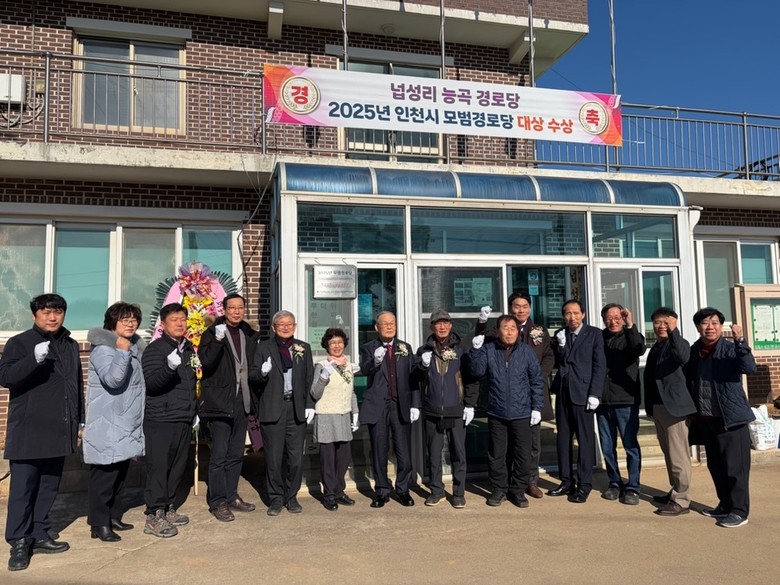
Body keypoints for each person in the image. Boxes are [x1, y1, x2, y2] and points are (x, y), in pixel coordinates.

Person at [0, 294, 82, 571]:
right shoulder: (19, 343)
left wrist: (79, 421)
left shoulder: (70, 344)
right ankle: (19, 541)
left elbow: (75, 385)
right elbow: (6, 378)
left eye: (57, 311)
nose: (52, 317)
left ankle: (39, 533)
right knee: (23, 490)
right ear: (34, 315)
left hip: (59, 429)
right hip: (28, 430)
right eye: (46, 312)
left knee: (48, 487)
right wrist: (32, 360)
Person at [475, 292, 554, 499]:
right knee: (501, 449)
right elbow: (480, 343)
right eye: (517, 306)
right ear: (511, 308)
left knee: (530, 446)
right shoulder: (498, 333)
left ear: (530, 308)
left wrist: (536, 376)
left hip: (528, 399)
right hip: (501, 402)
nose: (521, 310)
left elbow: (548, 356)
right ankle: (504, 485)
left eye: (525, 306)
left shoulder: (539, 331)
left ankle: (530, 482)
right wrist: (481, 322)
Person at [684, 308, 756, 528]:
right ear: (698, 327)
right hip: (706, 419)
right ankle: (725, 505)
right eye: (705, 323)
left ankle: (739, 511)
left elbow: (749, 367)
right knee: (716, 466)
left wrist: (740, 341)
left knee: (736, 468)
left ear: (721, 326)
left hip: (731, 418)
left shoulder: (730, 348)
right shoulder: (695, 351)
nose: (710, 327)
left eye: (714, 323)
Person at [83, 302, 146, 543]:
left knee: (119, 474)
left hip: (125, 420)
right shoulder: (105, 349)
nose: (130, 324)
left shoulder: (132, 347)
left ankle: (111, 516)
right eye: (124, 319)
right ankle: (98, 523)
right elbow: (113, 380)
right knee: (104, 476)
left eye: (134, 319)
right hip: (108, 422)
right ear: (112, 322)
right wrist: (121, 352)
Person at [469, 315, 543, 507]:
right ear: (498, 331)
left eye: (513, 328)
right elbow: (476, 371)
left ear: (518, 332)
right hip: (497, 411)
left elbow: (536, 381)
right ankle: (499, 489)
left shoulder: (527, 351)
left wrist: (537, 407)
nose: (509, 332)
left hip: (522, 412)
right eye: (505, 328)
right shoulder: (489, 350)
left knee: (523, 454)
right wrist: (476, 350)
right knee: (497, 454)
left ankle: (517, 490)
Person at [198, 293, 258, 522]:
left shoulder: (249, 334)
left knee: (236, 454)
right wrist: (217, 341)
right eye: (231, 307)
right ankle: (217, 501)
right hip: (220, 401)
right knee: (219, 455)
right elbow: (206, 362)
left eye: (240, 307)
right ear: (223, 309)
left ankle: (231, 496)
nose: (236, 311)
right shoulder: (212, 333)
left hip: (243, 400)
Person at [249, 310, 314, 516]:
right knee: (274, 458)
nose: (285, 327)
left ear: (295, 326)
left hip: (296, 408)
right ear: (274, 327)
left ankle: (291, 496)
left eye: (289, 324)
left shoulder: (303, 348)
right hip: (273, 408)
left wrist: (310, 404)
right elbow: (252, 377)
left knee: (295, 458)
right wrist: (262, 373)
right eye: (281, 324)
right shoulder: (264, 347)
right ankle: (276, 498)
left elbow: (309, 378)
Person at [141, 302, 197, 537]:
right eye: (174, 320)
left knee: (177, 467)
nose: (180, 323)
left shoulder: (188, 349)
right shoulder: (154, 350)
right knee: (159, 467)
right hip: (160, 418)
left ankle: (168, 507)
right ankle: (154, 515)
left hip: (183, 416)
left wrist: (194, 410)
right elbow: (152, 384)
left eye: (183, 319)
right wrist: (168, 367)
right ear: (163, 324)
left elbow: (191, 383)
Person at [416, 310, 479, 509]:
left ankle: (459, 492)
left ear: (451, 325)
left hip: (456, 409)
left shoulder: (461, 349)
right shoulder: (423, 350)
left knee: (458, 453)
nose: (442, 327)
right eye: (438, 323)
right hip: (432, 409)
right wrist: (422, 365)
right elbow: (416, 379)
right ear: (431, 327)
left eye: (445, 323)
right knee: (434, 454)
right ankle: (436, 490)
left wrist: (470, 404)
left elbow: (471, 378)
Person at [359, 311, 421, 508]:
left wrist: (415, 403)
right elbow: (365, 369)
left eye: (392, 323)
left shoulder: (405, 347)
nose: (389, 326)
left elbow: (414, 377)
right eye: (384, 323)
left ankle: (403, 489)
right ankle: (382, 491)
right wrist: (376, 361)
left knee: (404, 452)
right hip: (378, 406)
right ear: (376, 327)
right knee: (379, 450)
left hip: (400, 405)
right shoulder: (368, 347)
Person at [548, 299, 606, 503]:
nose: (572, 317)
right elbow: (558, 361)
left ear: (583, 315)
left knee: (584, 439)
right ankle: (566, 481)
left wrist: (595, 393)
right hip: (563, 392)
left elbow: (599, 365)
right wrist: (560, 346)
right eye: (568, 313)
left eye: (575, 313)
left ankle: (584, 484)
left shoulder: (594, 334)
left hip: (584, 393)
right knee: (563, 438)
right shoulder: (560, 334)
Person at [643, 307, 696, 517]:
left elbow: (682, 357)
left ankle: (682, 500)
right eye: (657, 322)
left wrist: (674, 332)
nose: (661, 326)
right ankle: (675, 491)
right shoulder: (656, 347)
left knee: (678, 455)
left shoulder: (679, 344)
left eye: (666, 322)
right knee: (668, 453)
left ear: (674, 323)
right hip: (659, 408)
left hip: (675, 409)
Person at [597, 304, 645, 505]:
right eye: (609, 317)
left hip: (626, 400)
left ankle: (633, 487)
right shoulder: (598, 338)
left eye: (617, 317)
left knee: (630, 445)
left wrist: (630, 325)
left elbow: (638, 349)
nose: (613, 321)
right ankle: (614, 482)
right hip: (602, 401)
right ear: (603, 319)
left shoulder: (632, 336)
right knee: (607, 447)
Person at [309, 328, 360, 511]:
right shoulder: (321, 365)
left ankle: (339, 491)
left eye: (339, 342)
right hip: (326, 416)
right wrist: (324, 377)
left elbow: (351, 392)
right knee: (328, 459)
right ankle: (329, 494)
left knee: (343, 458)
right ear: (327, 346)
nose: (337, 346)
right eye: (333, 343)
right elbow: (314, 393)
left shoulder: (348, 366)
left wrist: (355, 413)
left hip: (344, 415)